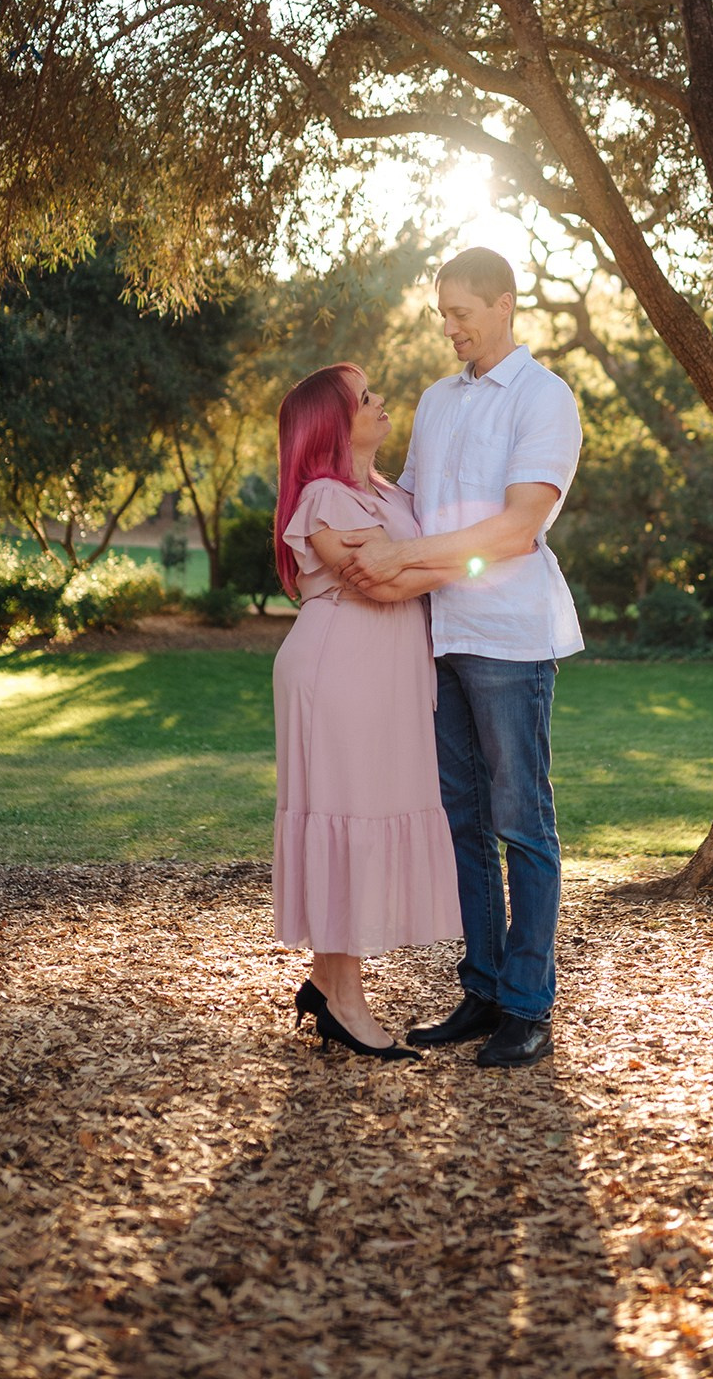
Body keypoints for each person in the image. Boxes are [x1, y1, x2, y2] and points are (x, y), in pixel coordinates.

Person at [340, 248, 583, 1070]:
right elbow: (408, 504)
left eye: (463, 312)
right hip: (437, 635)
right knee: (462, 825)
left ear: (505, 304)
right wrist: (340, 504)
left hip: (510, 639)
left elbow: (518, 527)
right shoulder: (437, 400)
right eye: (441, 312)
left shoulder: (545, 399)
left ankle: (527, 1004)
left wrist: (411, 564)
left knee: (522, 822)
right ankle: (480, 990)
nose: (449, 327)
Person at [272, 362, 464, 1062]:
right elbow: (383, 582)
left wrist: (421, 559)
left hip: (380, 676)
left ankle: (325, 982)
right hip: (337, 672)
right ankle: (346, 1003)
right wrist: (483, 552)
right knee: (345, 821)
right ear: (333, 425)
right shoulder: (323, 496)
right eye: (365, 399)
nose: (383, 403)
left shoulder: (385, 494)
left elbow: (400, 566)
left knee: (366, 819)